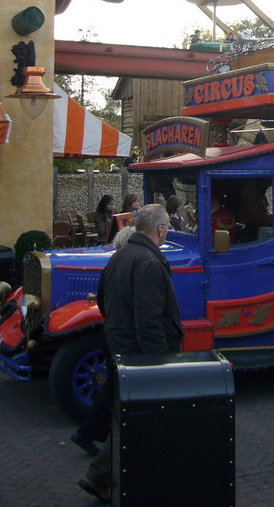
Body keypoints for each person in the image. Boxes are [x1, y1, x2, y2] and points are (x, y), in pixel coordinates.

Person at [79, 205, 183, 503]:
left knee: (131, 416)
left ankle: (106, 474)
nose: (167, 232)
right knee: (139, 418)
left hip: (118, 343)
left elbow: (102, 300)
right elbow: (149, 319)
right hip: (139, 352)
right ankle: (104, 475)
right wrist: (158, 362)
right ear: (160, 228)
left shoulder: (121, 255)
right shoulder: (148, 261)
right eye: (166, 227)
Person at [69, 227, 137, 457]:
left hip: (110, 331)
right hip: (121, 333)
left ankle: (95, 432)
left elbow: (101, 301)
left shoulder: (113, 265)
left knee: (113, 385)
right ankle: (88, 432)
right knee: (115, 386)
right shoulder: (130, 265)